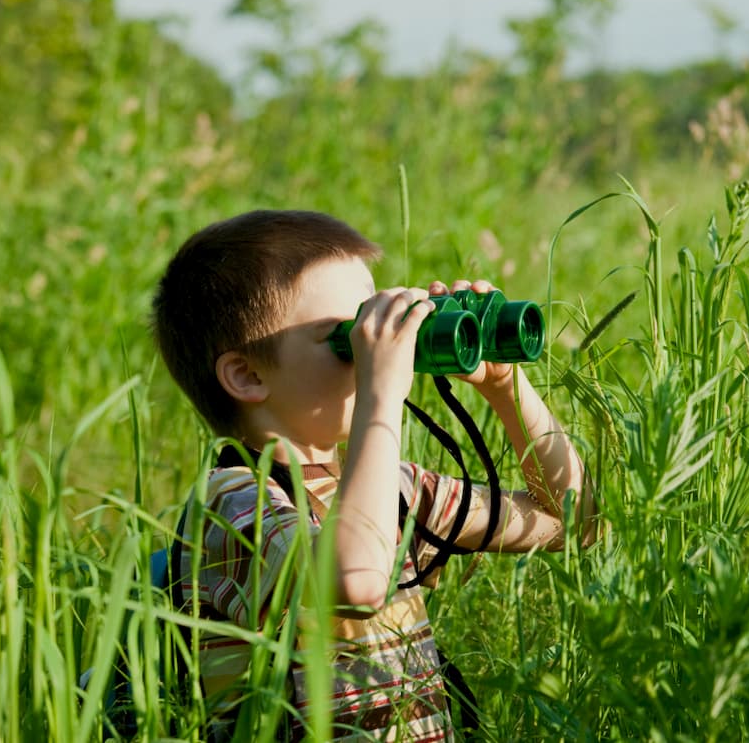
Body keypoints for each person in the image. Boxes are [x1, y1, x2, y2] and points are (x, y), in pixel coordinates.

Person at [150, 209, 594, 741]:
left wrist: (506, 389)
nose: (376, 351)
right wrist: (382, 396)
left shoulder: (391, 490)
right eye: (348, 338)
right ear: (247, 375)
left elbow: (571, 522)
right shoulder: (234, 500)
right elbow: (356, 581)